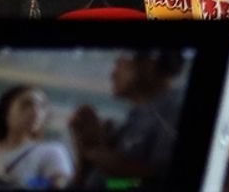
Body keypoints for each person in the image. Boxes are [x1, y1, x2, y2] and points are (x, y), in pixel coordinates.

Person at [68, 51, 185, 188]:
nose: (113, 74)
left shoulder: (172, 114)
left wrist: (95, 151)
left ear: (149, 64)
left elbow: (149, 183)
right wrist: (94, 151)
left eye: (120, 64)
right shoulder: (140, 114)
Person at [0, 85, 73, 189]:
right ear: (5, 111)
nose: (36, 111)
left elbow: (60, 185)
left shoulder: (51, 152)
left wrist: (1, 179)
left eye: (42, 106)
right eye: (26, 104)